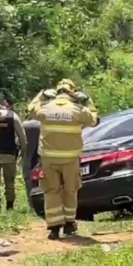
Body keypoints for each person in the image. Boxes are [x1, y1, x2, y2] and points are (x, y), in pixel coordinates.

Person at [28, 79, 99, 240]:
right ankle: (69, 224)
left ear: (56, 92)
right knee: (70, 191)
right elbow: (94, 119)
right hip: (70, 159)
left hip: (49, 160)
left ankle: (54, 228)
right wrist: (88, 101)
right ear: (73, 93)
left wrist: (41, 95)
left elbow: (31, 109)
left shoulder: (45, 108)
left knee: (51, 191)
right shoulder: (78, 109)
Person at [0, 94, 27, 211]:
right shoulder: (13, 116)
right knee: (10, 182)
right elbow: (22, 138)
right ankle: (9, 206)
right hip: (9, 155)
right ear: (5, 103)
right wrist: (23, 153)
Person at [22, 119, 40, 209]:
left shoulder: (26, 125)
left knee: (27, 172)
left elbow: (19, 141)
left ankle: (32, 204)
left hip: (28, 157)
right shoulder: (42, 125)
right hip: (42, 157)